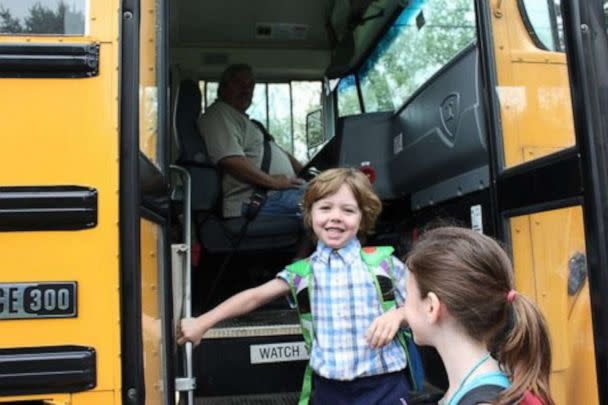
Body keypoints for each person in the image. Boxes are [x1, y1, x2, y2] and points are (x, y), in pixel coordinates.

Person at [178, 167, 413, 403]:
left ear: (363, 217)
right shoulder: (303, 273)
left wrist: (398, 315)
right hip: (329, 392)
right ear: (310, 215)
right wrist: (203, 322)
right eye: (325, 208)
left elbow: (423, 309)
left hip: (384, 388)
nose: (335, 217)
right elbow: (254, 297)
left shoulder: (383, 264)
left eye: (348, 210)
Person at [403, 226, 554, 405]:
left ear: (431, 307)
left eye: (406, 295)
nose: (402, 308)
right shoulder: (491, 382)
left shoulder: (482, 399)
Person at [198, 63, 305, 218]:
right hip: (256, 201)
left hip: (278, 193)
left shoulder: (248, 123)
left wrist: (304, 170)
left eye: (250, 86)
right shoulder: (218, 114)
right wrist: (273, 182)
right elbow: (230, 159)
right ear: (223, 88)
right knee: (331, 203)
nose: (246, 90)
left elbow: (275, 149)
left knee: (331, 195)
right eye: (239, 84)